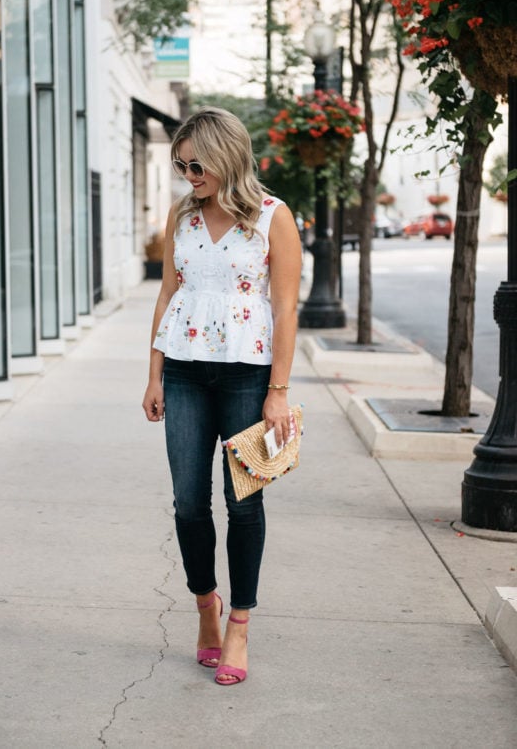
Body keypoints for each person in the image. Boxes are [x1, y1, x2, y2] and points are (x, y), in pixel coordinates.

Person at [142, 107, 301, 686]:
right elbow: (167, 295)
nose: (189, 175)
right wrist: (154, 374)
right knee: (188, 502)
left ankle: (239, 624)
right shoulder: (182, 215)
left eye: (197, 163)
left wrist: (277, 392)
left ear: (226, 156)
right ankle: (205, 605)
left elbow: (284, 308)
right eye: (181, 165)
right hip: (183, 371)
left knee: (244, 505)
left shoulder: (272, 217)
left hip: (246, 376)